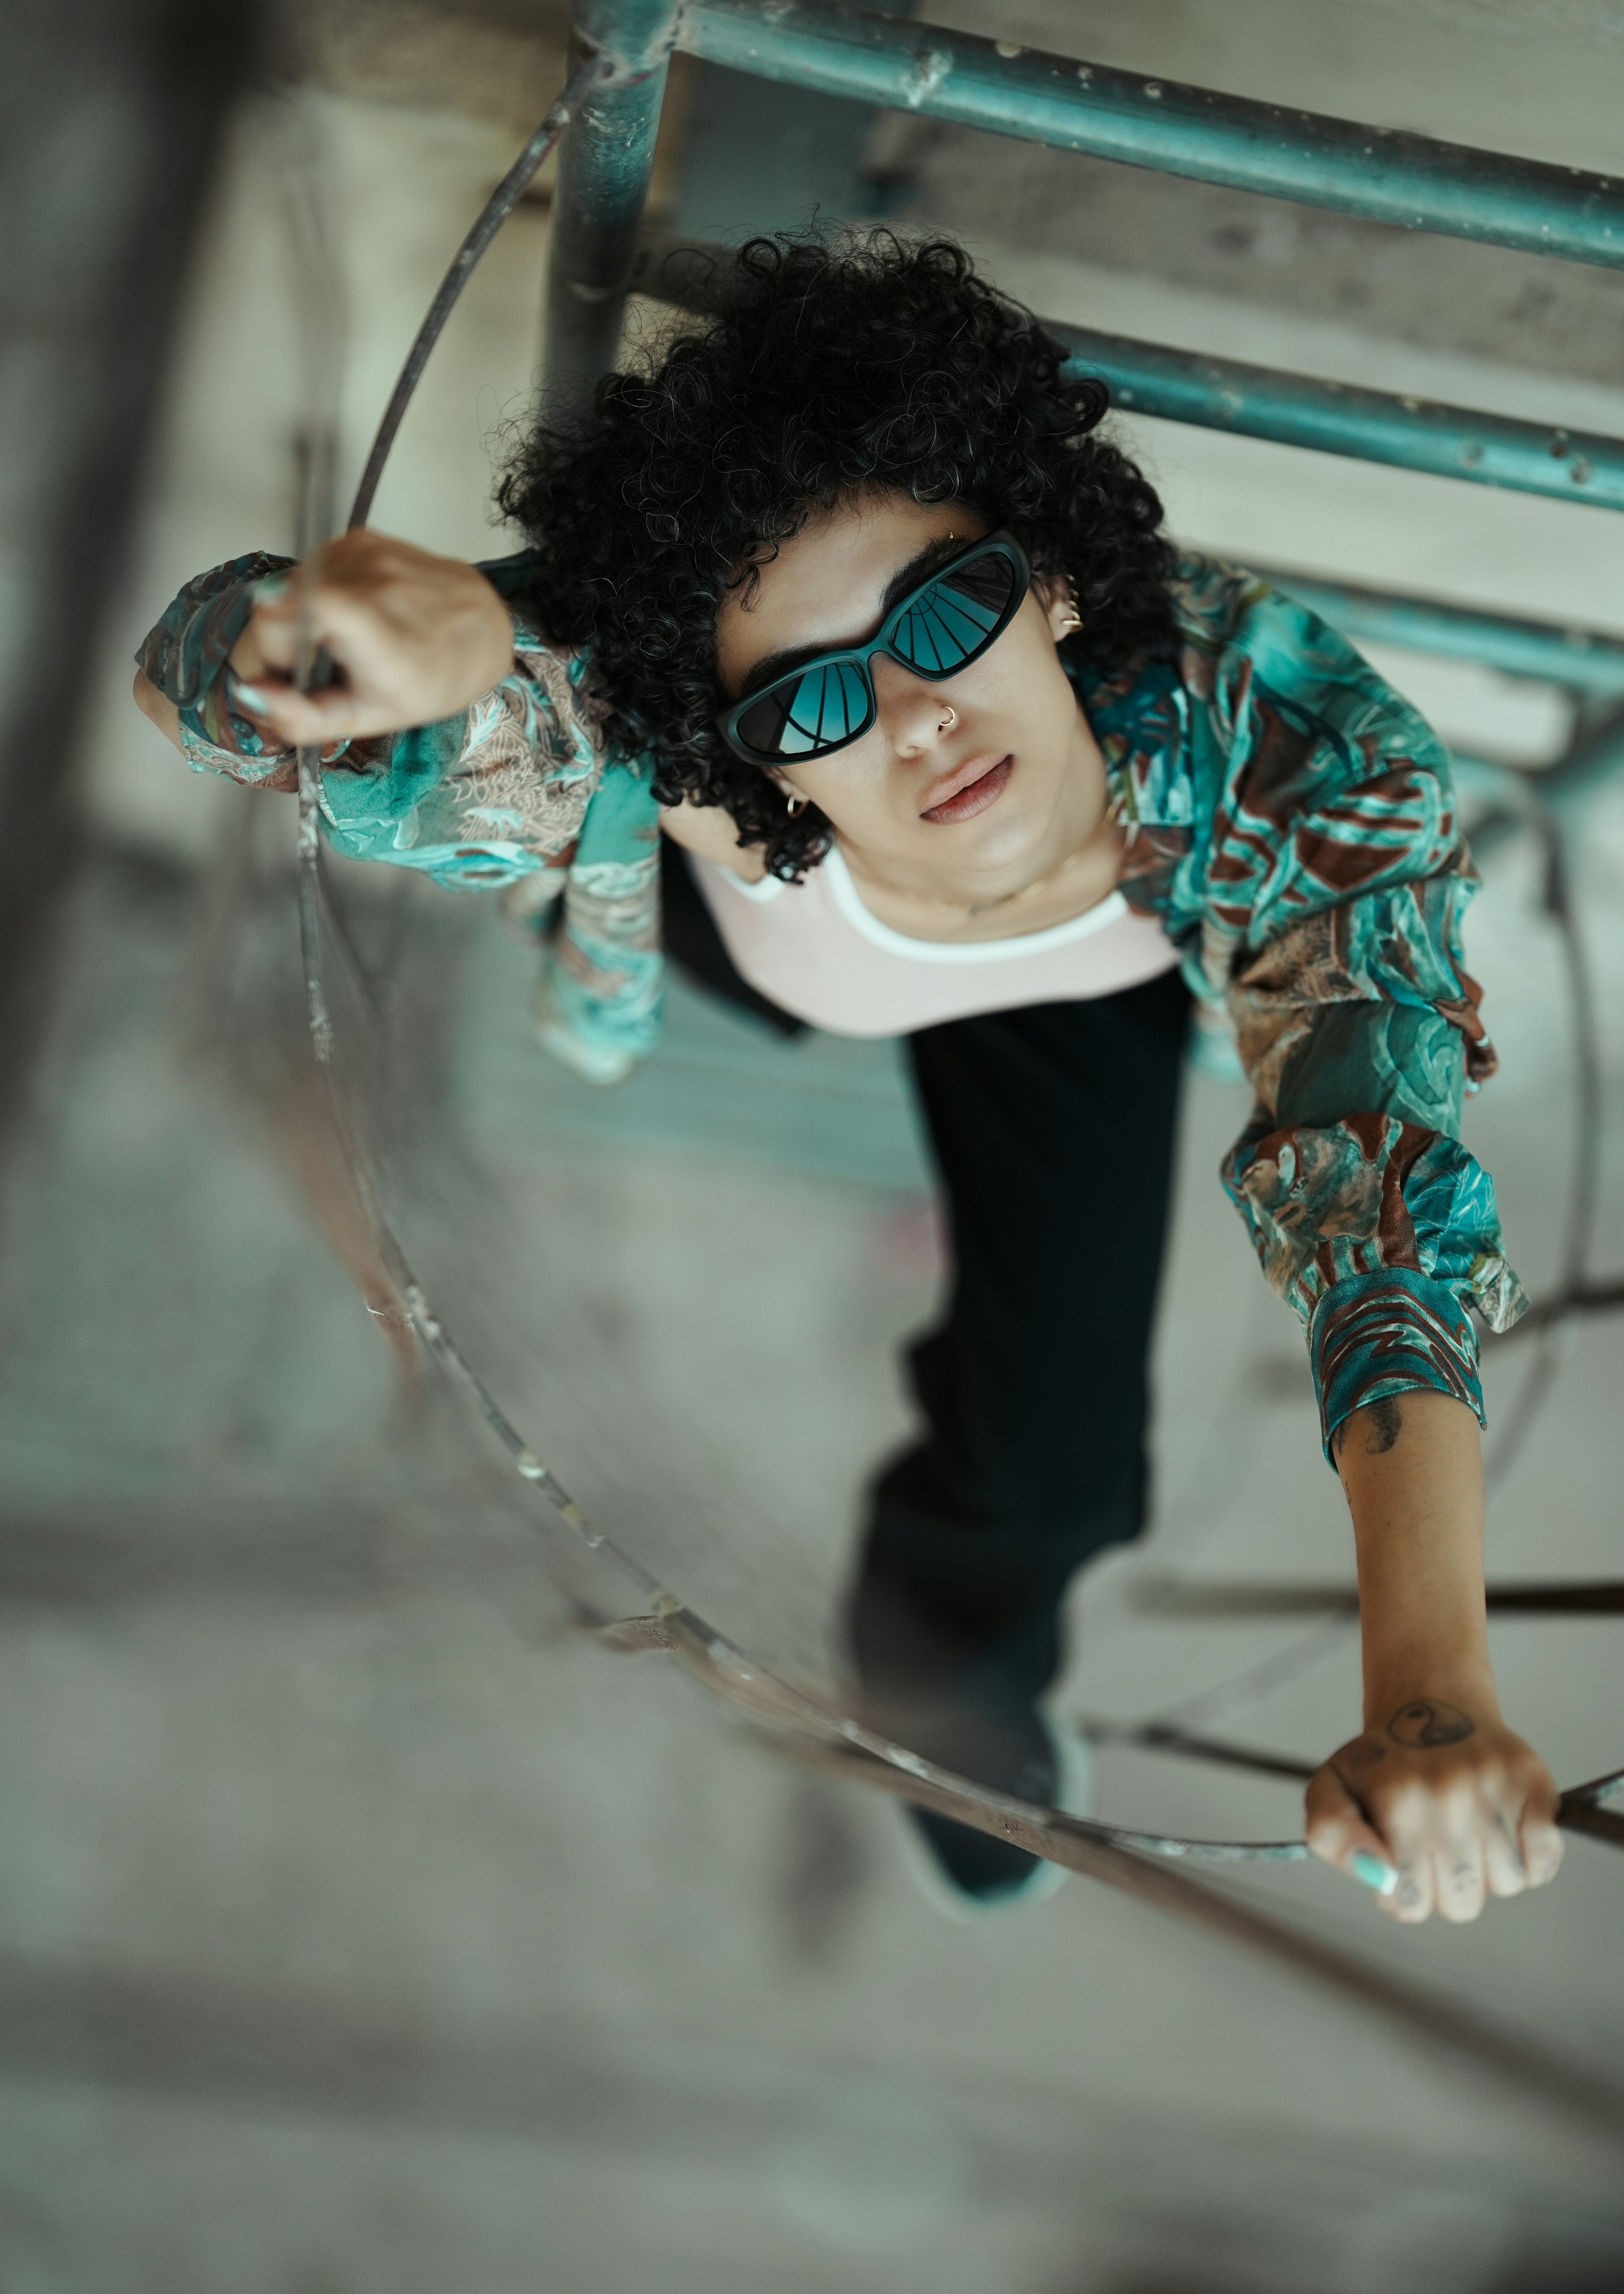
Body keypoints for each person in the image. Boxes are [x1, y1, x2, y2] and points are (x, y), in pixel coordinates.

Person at [135, 231, 1565, 1923]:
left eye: (942, 613)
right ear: (726, 742)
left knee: (1057, 1446)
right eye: (810, 703)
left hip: (1070, 988)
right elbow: (223, 685)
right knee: (574, 767)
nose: (916, 723)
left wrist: (1430, 1686)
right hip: (756, 924)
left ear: (1043, 581)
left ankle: (939, 1673)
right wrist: (417, 657)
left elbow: (1380, 1183)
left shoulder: (1285, 751)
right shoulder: (661, 764)